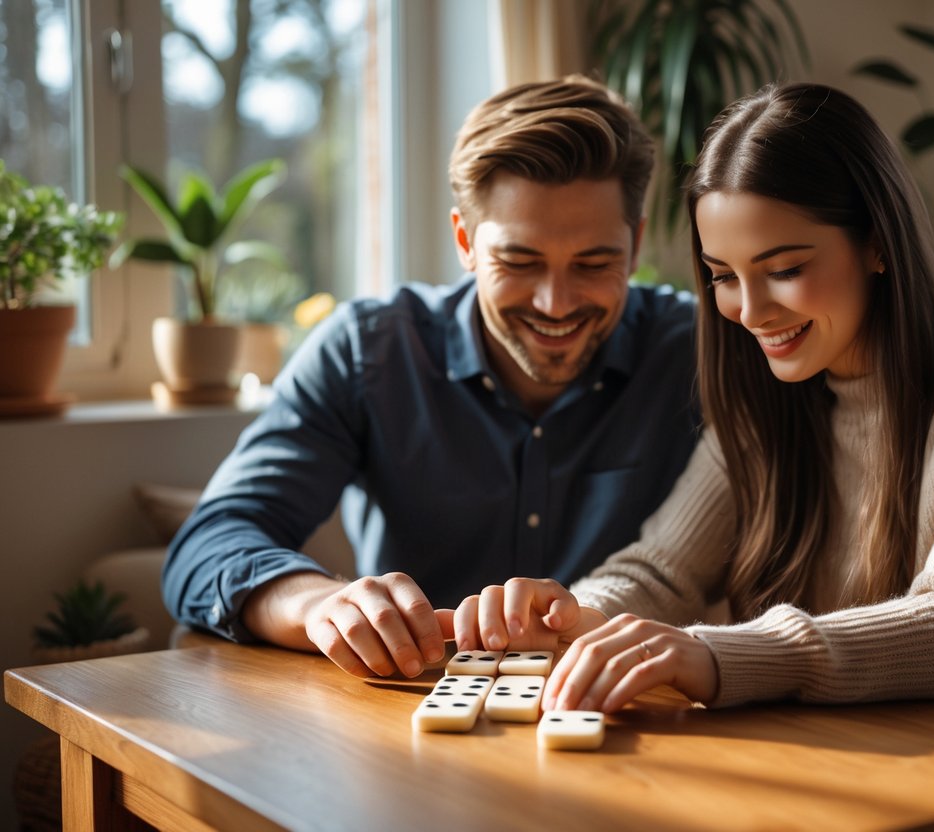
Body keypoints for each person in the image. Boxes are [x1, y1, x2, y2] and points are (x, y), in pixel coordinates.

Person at [451, 83, 934, 718]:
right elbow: (660, 573)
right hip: (868, 755)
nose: (751, 310)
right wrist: (572, 616)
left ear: (876, 241)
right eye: (723, 277)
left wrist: (712, 654)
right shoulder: (766, 395)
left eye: (785, 269)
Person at [162, 76, 701, 680]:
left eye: (594, 263)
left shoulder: (699, 353)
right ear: (466, 241)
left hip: (627, 726)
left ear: (636, 245)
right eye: (518, 261)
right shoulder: (369, 351)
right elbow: (207, 545)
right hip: (406, 720)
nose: (556, 302)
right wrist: (318, 605)